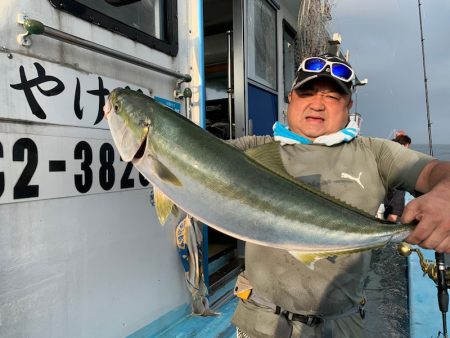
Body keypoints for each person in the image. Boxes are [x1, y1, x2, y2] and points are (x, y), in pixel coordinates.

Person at [227, 53, 450, 338]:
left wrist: (445, 195)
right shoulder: (253, 150)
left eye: (332, 97)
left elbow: (436, 172)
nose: (317, 104)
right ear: (291, 98)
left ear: (348, 106)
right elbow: (191, 154)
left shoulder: (375, 152)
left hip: (340, 328)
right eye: (307, 92)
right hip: (259, 324)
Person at [383, 134, 412, 222]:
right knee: (394, 213)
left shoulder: (389, 151)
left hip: (387, 187)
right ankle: (388, 233)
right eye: (408, 145)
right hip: (397, 187)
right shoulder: (401, 155)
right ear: (405, 144)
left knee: (389, 210)